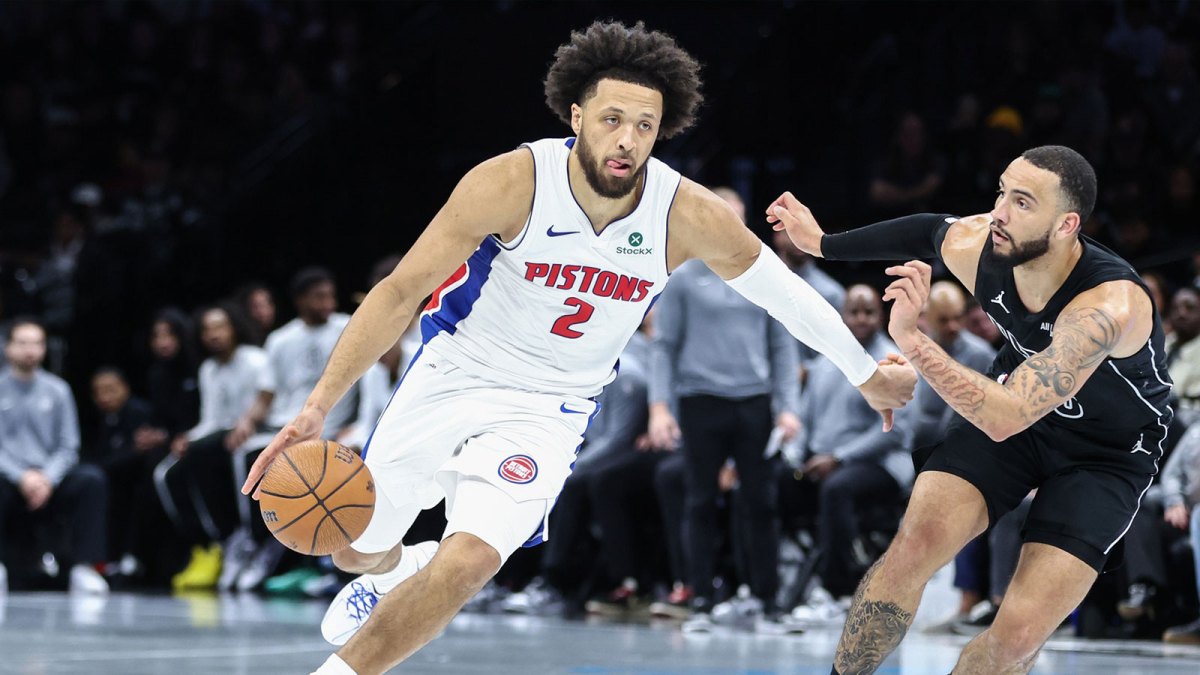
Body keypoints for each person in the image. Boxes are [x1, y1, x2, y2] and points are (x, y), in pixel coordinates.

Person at [241, 21, 915, 675]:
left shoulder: (685, 212)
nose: (627, 139)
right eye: (612, 118)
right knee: (353, 546)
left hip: (551, 406)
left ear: (662, 132)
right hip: (455, 370)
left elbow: (783, 293)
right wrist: (315, 408)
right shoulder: (512, 181)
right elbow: (396, 293)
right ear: (576, 116)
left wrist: (864, 373)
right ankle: (392, 570)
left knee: (471, 558)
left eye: (645, 125)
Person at [770, 144, 1173, 674]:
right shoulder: (980, 244)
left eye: (1023, 203)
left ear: (1066, 224)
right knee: (913, 549)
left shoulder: (1107, 307)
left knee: (1015, 639)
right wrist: (822, 244)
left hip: (1107, 455)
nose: (999, 213)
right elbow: (928, 228)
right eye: (1002, 192)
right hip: (1018, 420)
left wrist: (912, 341)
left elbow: (1004, 414)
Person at [646, 186, 802, 632]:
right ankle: (700, 600)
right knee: (699, 500)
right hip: (700, 401)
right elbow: (664, 346)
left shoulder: (766, 271)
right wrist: (660, 407)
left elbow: (782, 347)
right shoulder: (683, 274)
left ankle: (769, 602)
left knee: (761, 503)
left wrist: (789, 407)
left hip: (755, 403)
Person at [0, 319, 109, 594]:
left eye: (37, 343)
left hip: (50, 478)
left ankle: (85, 567)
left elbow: (69, 446)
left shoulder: (58, 390)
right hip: (10, 477)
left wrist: (46, 478)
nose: (30, 350)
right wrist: (22, 476)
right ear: (8, 347)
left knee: (92, 480)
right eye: (22, 342)